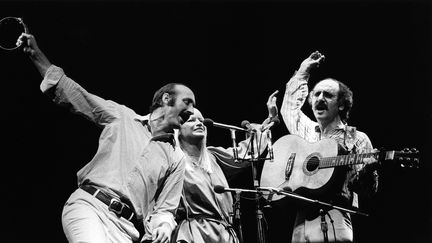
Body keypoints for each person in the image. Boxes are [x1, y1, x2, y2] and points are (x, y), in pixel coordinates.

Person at [18, 32, 196, 243]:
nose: (193, 111)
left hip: (125, 230)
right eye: (188, 102)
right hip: (90, 207)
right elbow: (75, 95)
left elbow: (166, 208)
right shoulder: (123, 117)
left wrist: (164, 225)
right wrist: (35, 54)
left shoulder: (176, 158)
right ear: (167, 99)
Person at [280, 51, 379, 242]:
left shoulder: (356, 138)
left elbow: (368, 191)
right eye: (316, 94)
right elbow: (289, 109)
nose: (320, 98)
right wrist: (303, 71)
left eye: (328, 95)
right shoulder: (308, 131)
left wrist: (370, 169)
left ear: (341, 105)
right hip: (301, 218)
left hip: (335, 215)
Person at [171, 91, 279, 243]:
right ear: (178, 129)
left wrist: (270, 120)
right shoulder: (173, 160)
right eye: (191, 120)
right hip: (194, 233)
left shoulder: (213, 157)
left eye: (201, 121)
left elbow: (246, 152)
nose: (199, 123)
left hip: (224, 233)